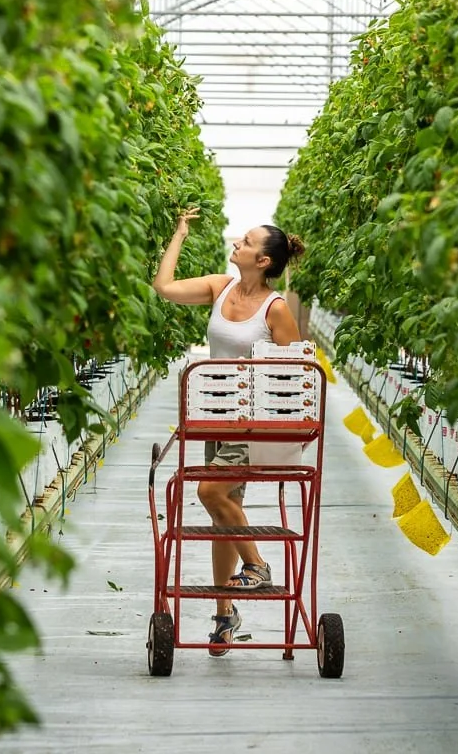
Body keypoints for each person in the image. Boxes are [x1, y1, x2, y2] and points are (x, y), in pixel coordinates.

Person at [152, 208, 307, 655]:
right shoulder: (221, 289)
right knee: (223, 512)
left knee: (210, 493)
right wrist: (178, 233)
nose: (237, 242)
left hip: (251, 423)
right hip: (213, 416)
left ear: (263, 261)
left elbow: (293, 374)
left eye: (247, 241)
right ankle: (225, 616)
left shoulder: (275, 310)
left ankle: (258, 567)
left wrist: (282, 431)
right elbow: (164, 288)